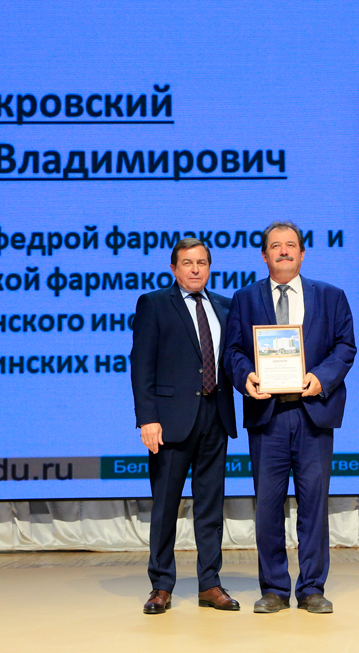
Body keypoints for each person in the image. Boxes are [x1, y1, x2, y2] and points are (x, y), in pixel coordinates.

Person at [224, 221, 355, 615]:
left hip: (313, 414)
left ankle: (312, 588)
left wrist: (321, 378)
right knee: (268, 506)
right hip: (268, 417)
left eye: (291, 245)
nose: (283, 251)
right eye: (276, 246)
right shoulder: (245, 298)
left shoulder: (331, 296)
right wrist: (246, 377)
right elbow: (233, 351)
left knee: (314, 505)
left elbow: (345, 347)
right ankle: (274, 590)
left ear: (302, 253)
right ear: (264, 255)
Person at [130, 237, 239, 615]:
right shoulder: (155, 304)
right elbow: (141, 365)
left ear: (210, 267)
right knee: (165, 507)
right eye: (187, 263)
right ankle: (161, 585)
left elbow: (233, 360)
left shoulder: (225, 306)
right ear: (174, 268)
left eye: (202, 262)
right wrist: (147, 418)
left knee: (211, 507)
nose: (195, 269)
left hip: (216, 416)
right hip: (170, 421)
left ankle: (210, 584)